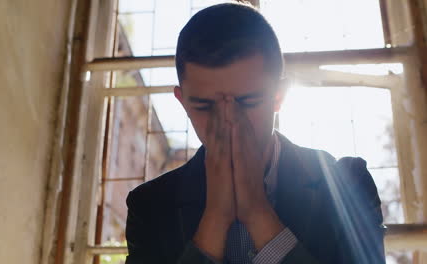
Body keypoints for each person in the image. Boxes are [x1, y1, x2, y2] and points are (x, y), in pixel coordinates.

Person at [125, 3, 385, 264]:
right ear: (182, 102)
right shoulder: (151, 207)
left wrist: (258, 213)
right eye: (204, 106)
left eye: (247, 103)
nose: (228, 121)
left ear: (279, 96)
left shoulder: (348, 185)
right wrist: (214, 219)